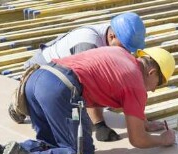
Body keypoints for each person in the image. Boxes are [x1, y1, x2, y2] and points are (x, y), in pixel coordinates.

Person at [0, 46, 176, 154]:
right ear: (151, 72)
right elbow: (137, 140)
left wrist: (143, 122)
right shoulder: (136, 84)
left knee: (52, 145)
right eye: (159, 82)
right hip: (60, 89)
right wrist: (163, 140)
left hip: (36, 79)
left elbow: (101, 83)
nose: (155, 88)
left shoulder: (119, 53)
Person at [8, 12, 146, 142]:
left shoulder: (112, 34)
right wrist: (100, 125)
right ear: (112, 37)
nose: (127, 53)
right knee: (69, 128)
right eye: (126, 48)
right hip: (39, 72)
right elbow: (88, 84)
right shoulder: (88, 43)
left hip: (58, 75)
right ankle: (20, 104)